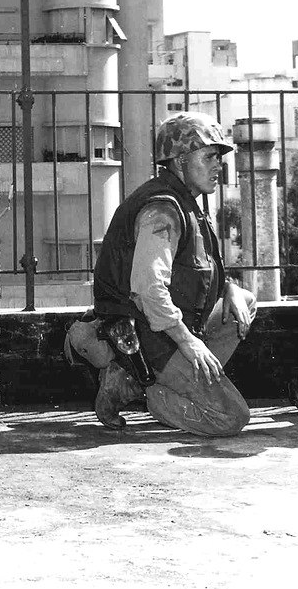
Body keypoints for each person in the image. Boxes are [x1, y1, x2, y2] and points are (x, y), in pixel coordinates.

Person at [65, 112, 256, 435]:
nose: (217, 165)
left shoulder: (188, 203)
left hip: (168, 328)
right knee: (231, 418)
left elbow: (200, 270)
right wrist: (188, 342)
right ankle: (144, 389)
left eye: (218, 158)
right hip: (149, 336)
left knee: (245, 303)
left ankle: (140, 382)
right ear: (181, 161)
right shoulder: (163, 209)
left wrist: (230, 290)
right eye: (208, 156)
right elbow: (148, 288)